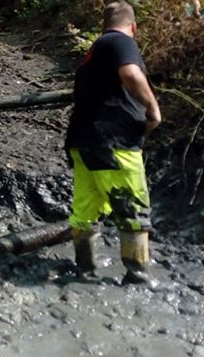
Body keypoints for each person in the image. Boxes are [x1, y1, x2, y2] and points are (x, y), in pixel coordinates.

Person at [65, 0, 161, 283]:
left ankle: (85, 271)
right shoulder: (121, 42)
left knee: (85, 212)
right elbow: (130, 73)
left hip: (83, 143)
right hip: (113, 143)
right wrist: (153, 109)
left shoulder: (93, 52)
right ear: (133, 26)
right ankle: (138, 276)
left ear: (102, 25)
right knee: (133, 208)